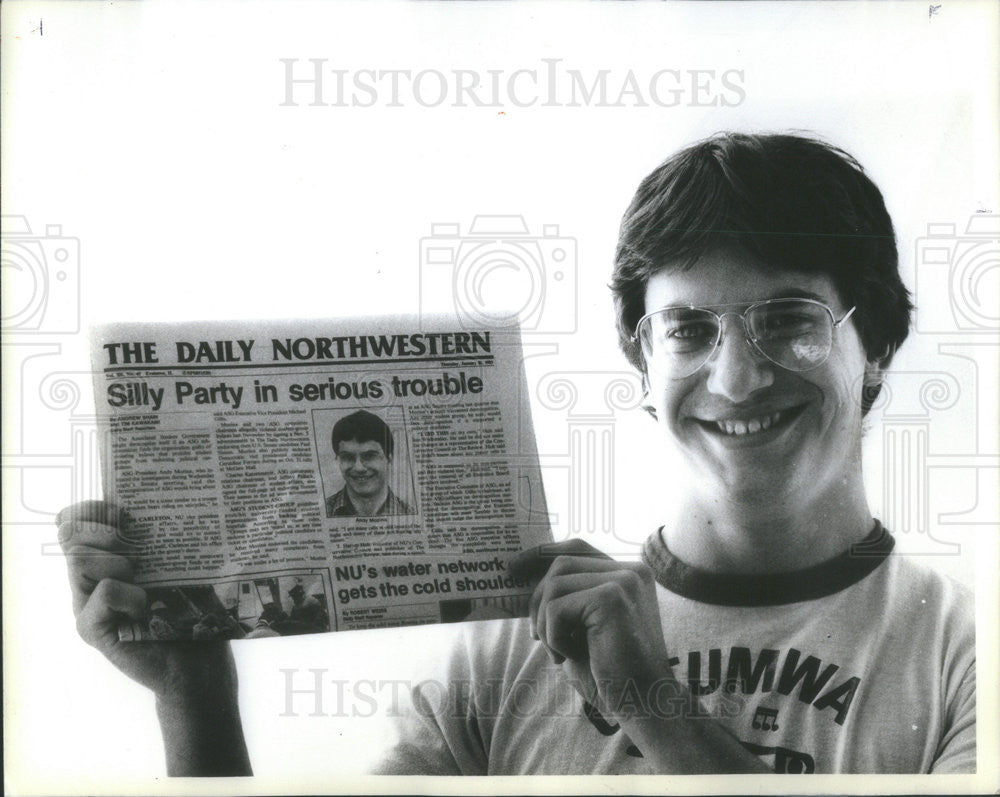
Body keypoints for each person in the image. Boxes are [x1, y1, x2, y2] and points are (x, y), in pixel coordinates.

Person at [56, 132, 974, 775]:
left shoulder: (962, 655)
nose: (734, 378)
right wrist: (195, 698)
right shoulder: (512, 647)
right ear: (641, 362)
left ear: (879, 341)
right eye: (689, 329)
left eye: (788, 320)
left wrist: (653, 702)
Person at [324, 410, 414, 518]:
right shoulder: (320, 512)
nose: (359, 468)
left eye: (369, 456)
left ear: (389, 458)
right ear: (338, 459)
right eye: (347, 457)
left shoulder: (411, 514)